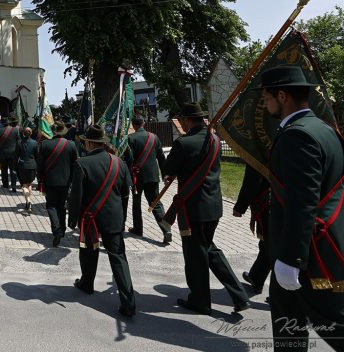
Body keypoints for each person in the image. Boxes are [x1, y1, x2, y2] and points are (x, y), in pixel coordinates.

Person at [258, 65, 344, 350]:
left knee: (329, 325)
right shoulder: (323, 129)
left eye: (267, 96)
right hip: (317, 246)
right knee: (291, 328)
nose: (264, 102)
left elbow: (302, 202)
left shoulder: (298, 136)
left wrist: (291, 260)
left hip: (306, 254)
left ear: (282, 96)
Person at [162, 102, 250, 315]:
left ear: (187, 120)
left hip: (193, 209)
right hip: (213, 207)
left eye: (181, 120)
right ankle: (239, 295)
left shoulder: (183, 143)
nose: (181, 124)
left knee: (195, 256)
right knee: (209, 249)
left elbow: (168, 170)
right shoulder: (216, 141)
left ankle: (200, 301)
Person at [68, 124, 136, 317]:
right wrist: (122, 217)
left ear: (89, 143)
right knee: (118, 257)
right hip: (114, 217)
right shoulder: (119, 162)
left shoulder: (82, 164)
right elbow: (125, 193)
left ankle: (87, 283)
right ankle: (128, 302)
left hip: (91, 218)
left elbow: (76, 197)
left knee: (88, 251)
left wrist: (72, 220)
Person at [124, 115, 172, 244]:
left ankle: (138, 229)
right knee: (155, 202)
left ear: (133, 125)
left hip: (137, 177)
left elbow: (128, 160)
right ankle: (166, 229)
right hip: (152, 176)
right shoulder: (154, 137)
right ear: (144, 123)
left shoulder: (130, 138)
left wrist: (127, 177)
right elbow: (162, 158)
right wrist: (165, 174)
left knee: (136, 203)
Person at [38, 120, 79, 247]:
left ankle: (57, 230)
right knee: (61, 206)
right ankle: (61, 229)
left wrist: (40, 180)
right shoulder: (71, 145)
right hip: (66, 181)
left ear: (53, 131)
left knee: (51, 206)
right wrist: (72, 180)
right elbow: (75, 165)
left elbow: (40, 166)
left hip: (49, 181)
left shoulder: (44, 144)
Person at [232, 164, 271, 296]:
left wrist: (240, 206)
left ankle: (282, 294)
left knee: (273, 247)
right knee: (268, 245)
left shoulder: (259, 153)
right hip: (288, 201)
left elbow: (252, 181)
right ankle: (256, 278)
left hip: (270, 205)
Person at [15, 127, 38, 214]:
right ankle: (27, 203)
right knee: (29, 184)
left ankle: (28, 201)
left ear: (23, 133)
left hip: (22, 166)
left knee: (24, 185)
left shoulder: (19, 142)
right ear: (31, 133)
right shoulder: (35, 143)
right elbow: (37, 156)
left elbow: (16, 156)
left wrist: (14, 166)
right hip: (32, 166)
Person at [0, 114, 20, 191]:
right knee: (13, 170)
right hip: (13, 154)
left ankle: (5, 185)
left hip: (3, 154)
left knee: (4, 170)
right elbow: (19, 142)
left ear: (2, 123)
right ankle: (14, 186)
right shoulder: (15, 130)